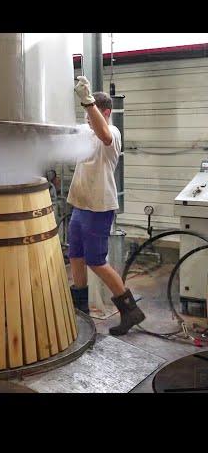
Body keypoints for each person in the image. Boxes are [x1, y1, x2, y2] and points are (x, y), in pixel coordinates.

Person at [68, 76, 145, 335]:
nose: (89, 120)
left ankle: (130, 311)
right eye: (87, 115)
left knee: (96, 261)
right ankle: (80, 311)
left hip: (99, 207)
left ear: (105, 112)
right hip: (80, 204)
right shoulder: (86, 131)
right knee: (76, 256)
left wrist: (88, 101)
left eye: (93, 114)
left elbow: (103, 134)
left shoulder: (112, 132)